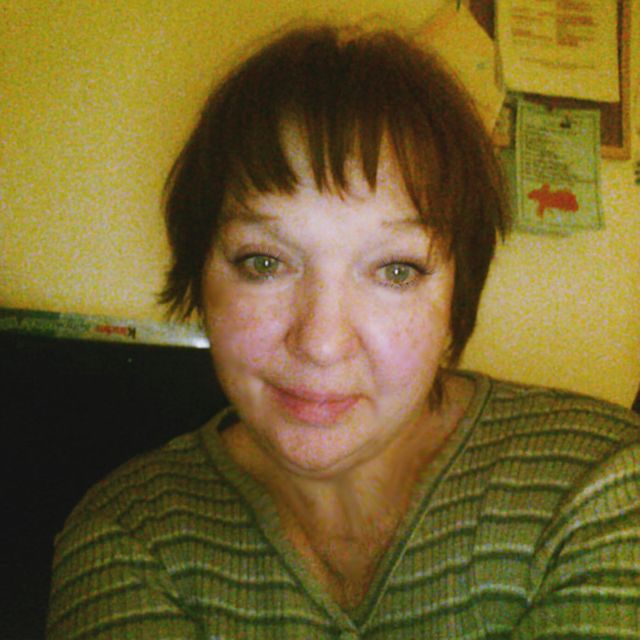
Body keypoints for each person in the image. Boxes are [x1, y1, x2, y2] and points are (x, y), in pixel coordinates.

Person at [47, 24, 640, 639]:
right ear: (202, 277)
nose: (322, 344)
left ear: (456, 300)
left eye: (396, 270)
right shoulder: (127, 535)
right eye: (264, 262)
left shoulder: (605, 485)